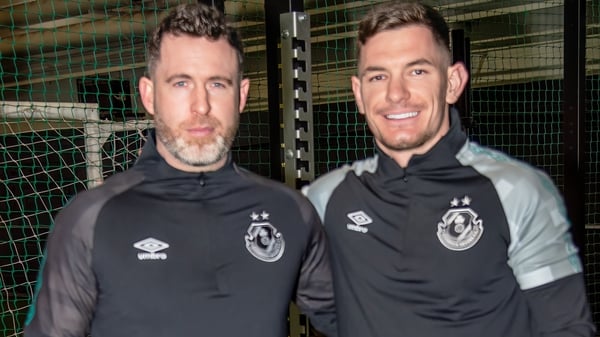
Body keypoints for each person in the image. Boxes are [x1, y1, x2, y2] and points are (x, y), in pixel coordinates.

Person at [24, 3, 337, 337]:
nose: (200, 106)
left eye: (217, 84)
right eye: (181, 84)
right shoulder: (91, 220)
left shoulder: (289, 212)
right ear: (149, 95)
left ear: (242, 95)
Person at [302, 1, 595, 336]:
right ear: (358, 92)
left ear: (453, 82)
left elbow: (565, 326)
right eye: (379, 76)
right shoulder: (325, 199)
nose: (396, 94)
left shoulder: (514, 190)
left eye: (417, 71)